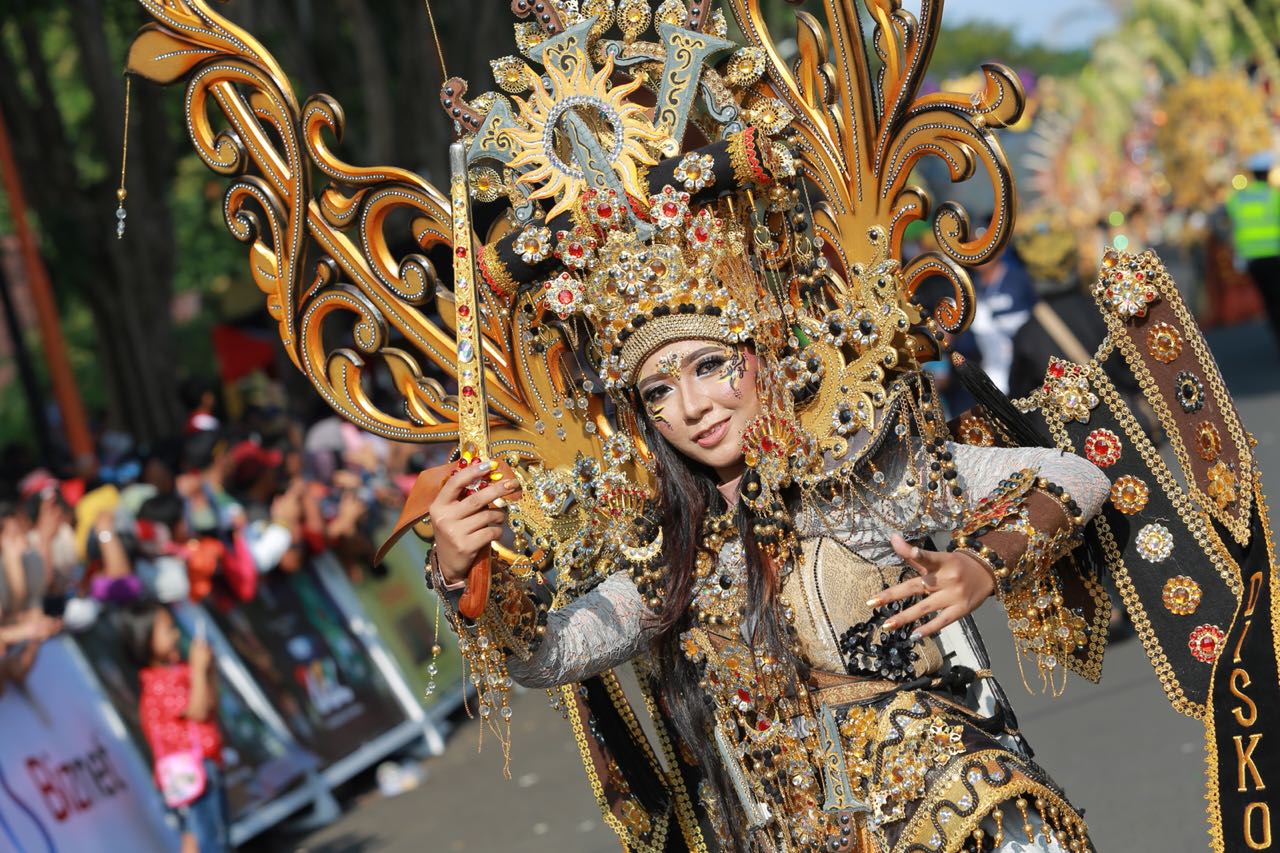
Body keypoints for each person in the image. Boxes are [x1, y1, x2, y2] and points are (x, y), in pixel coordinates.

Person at [123, 602, 229, 853]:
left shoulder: (180, 672)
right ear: (145, 639)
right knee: (206, 841)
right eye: (168, 629)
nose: (176, 635)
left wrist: (207, 670)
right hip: (190, 775)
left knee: (215, 836)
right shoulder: (158, 684)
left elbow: (210, 705)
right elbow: (198, 710)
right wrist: (199, 670)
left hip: (206, 766)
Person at [1224, 152, 1280, 344]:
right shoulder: (1274, 196)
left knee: (1269, 300)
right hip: (1275, 255)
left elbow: (1227, 224)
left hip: (1252, 259)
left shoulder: (1238, 198)